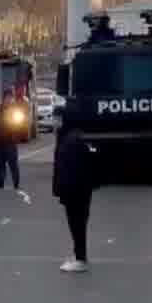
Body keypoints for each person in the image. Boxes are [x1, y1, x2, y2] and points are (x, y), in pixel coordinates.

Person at [52, 103, 96, 274]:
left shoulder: (72, 140)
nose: (54, 121)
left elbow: (72, 169)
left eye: (57, 118)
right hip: (76, 191)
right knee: (76, 224)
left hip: (76, 192)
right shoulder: (68, 136)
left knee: (77, 224)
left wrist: (66, 190)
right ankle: (79, 257)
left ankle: (80, 259)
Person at [0, 88, 21, 190]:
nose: (8, 99)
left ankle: (16, 183)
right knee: (0, 164)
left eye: (10, 97)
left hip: (10, 141)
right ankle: (0, 182)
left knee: (12, 163)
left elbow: (17, 125)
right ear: (4, 98)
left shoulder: (14, 109)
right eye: (6, 97)